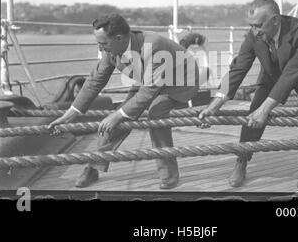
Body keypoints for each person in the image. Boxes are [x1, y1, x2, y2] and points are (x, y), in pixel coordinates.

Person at [49, 14, 199, 189]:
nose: (100, 47)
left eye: (103, 43)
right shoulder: (110, 49)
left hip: (180, 81)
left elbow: (149, 91)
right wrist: (68, 116)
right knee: (119, 115)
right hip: (149, 79)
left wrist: (117, 116)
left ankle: (168, 174)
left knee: (155, 114)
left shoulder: (153, 46)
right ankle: (94, 166)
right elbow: (94, 81)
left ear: (119, 38)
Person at [199, 0, 298, 192]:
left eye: (259, 26)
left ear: (275, 20)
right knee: (254, 109)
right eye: (251, 25)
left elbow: (291, 74)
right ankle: (242, 160)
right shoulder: (254, 35)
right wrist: (214, 105)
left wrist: (265, 110)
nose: (254, 31)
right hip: (273, 73)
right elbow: (238, 69)